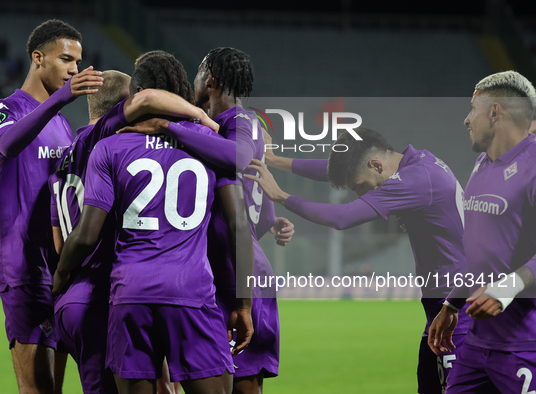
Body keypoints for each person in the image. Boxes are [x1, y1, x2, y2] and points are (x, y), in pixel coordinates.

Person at [53, 50, 254, 394]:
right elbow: (239, 227)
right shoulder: (210, 143)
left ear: (135, 96)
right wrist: (244, 302)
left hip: (130, 294)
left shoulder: (108, 147)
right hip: (191, 292)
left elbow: (86, 236)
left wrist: (60, 275)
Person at [120, 47, 295, 393]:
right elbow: (255, 208)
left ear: (210, 80)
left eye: (198, 73)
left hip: (238, 277)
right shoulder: (222, 127)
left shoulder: (238, 121)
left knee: (242, 383)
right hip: (226, 269)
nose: (191, 80)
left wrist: (167, 126)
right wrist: (271, 221)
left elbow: (237, 159)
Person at [246, 127, 470, 393]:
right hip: (442, 309)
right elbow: (338, 169)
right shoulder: (419, 164)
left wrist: (281, 196)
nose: (363, 195)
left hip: (458, 308)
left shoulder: (416, 180)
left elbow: (343, 218)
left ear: (376, 164)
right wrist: (274, 160)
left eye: (362, 186)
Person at [0, 18, 104, 393]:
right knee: (37, 388)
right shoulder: (7, 108)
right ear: (38, 58)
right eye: (66, 59)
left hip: (60, 270)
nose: (74, 69)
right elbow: (7, 145)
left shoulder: (64, 126)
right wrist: (61, 98)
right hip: (24, 268)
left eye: (77, 62)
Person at [428, 70, 536, 393]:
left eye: (472, 109)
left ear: (494, 112)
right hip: (476, 344)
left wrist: (511, 285)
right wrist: (452, 304)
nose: (466, 120)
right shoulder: (483, 164)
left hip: (525, 344)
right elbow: (479, 249)